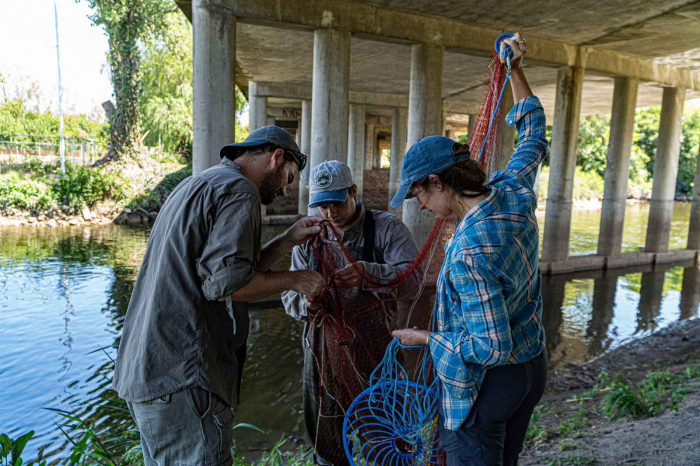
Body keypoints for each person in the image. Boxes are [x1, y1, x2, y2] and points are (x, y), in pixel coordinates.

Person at [113, 126, 326, 466]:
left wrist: (287, 240)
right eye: (288, 178)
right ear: (276, 157)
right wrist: (298, 280)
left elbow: (230, 271)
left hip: (147, 372)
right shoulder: (242, 191)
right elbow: (225, 286)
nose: (286, 191)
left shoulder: (199, 183)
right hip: (183, 377)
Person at [391, 33, 548, 466]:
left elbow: (491, 347)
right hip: (531, 366)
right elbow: (533, 132)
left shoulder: (468, 255)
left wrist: (425, 337)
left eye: (418, 195)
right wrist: (514, 67)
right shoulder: (510, 187)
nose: (420, 206)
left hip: (489, 387)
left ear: (438, 182)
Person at [282, 160, 422, 465]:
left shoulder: (386, 228)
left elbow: (414, 282)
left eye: (336, 202)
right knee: (326, 433)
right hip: (322, 351)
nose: (330, 213)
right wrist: (307, 303)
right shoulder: (309, 238)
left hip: (376, 352)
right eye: (322, 205)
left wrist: (370, 273)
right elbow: (288, 296)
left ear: (353, 192)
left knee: (387, 431)